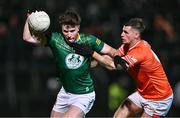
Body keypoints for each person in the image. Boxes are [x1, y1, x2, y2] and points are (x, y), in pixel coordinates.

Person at [23, 8, 116, 118]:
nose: (69, 35)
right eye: (65, 31)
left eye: (72, 31)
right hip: (65, 92)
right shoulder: (55, 39)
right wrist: (29, 20)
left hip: (84, 95)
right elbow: (27, 37)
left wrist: (117, 57)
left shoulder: (89, 40)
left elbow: (112, 51)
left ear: (78, 28)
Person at [74, 18, 173, 117]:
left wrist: (91, 53)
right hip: (143, 93)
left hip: (159, 98)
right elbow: (109, 58)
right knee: (120, 114)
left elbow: (113, 66)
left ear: (136, 35)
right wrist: (83, 65)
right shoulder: (127, 46)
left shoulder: (140, 51)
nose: (122, 34)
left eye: (126, 32)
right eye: (122, 31)